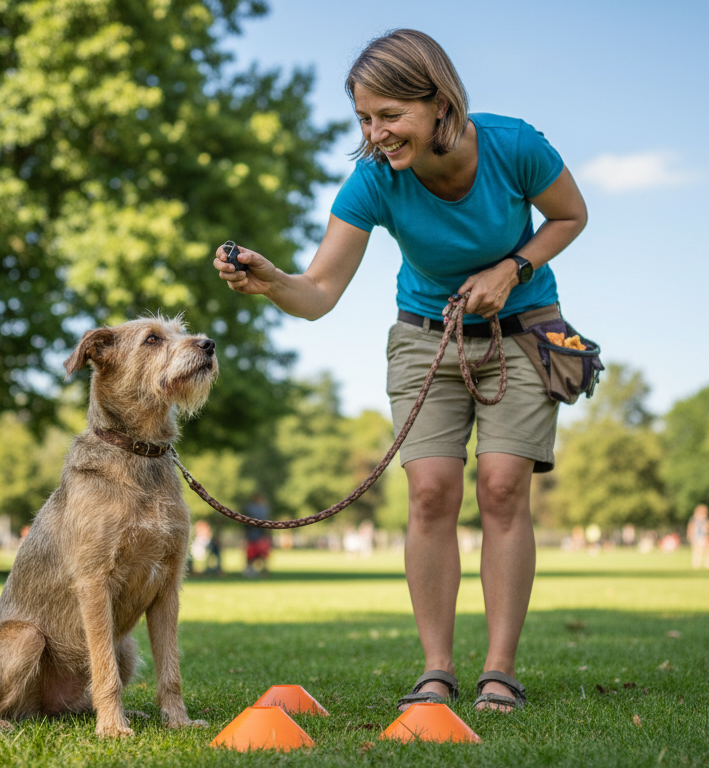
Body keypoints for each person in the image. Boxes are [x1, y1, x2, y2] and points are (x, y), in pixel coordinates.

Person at [212, 29, 587, 713]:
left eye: (390, 115)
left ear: (439, 101)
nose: (376, 133)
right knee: (431, 494)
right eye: (364, 118)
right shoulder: (374, 181)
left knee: (503, 488)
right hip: (426, 339)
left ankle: (499, 671)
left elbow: (570, 215)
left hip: (524, 328)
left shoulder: (514, 146)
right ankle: (436, 670)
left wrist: (512, 268)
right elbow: (320, 292)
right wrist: (271, 281)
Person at [242, 493, 272, 577]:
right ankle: (249, 570)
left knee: (263, 554)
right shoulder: (250, 508)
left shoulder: (264, 508)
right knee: (251, 554)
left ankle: (264, 571)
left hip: (261, 535)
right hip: (252, 535)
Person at [687, 504, 709, 569]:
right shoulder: (694, 519)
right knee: (697, 551)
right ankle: (696, 563)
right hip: (697, 537)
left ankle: (708, 563)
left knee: (707, 550)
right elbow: (691, 527)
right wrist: (690, 535)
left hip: (704, 536)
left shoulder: (706, 519)